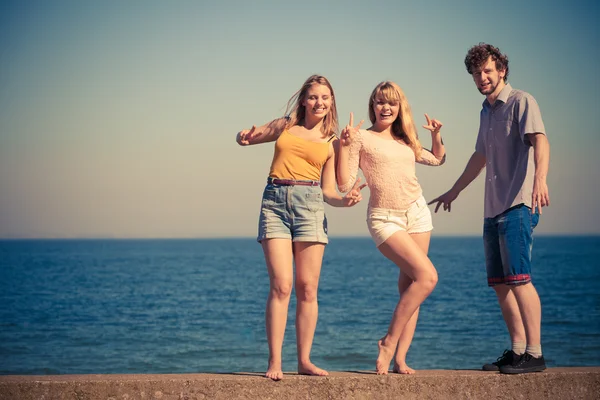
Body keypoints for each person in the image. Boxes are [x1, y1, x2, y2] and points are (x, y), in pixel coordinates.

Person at [428, 43, 550, 374]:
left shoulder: (522, 101)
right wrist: (453, 190)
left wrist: (541, 179)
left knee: (520, 279)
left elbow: (540, 140)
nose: (482, 77)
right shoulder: (486, 111)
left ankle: (535, 355)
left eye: (487, 71)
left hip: (518, 205)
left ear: (502, 70)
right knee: (500, 283)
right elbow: (480, 157)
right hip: (492, 209)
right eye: (476, 73)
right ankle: (518, 350)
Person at [236, 75, 366, 381]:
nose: (319, 102)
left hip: (310, 206)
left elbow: (330, 191)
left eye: (325, 97)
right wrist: (242, 136)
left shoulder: (332, 141)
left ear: (331, 101)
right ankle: (274, 362)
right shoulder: (284, 125)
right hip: (274, 203)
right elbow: (247, 137)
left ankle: (305, 361)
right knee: (282, 285)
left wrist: (345, 202)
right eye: (313, 97)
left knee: (308, 288)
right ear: (304, 100)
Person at [337, 81, 446, 374]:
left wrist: (436, 135)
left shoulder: (406, 139)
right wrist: (344, 146)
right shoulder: (360, 138)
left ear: (400, 108)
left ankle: (400, 358)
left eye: (392, 103)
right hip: (385, 218)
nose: (386, 107)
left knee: (412, 286)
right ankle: (387, 343)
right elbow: (345, 183)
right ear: (372, 106)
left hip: (417, 214)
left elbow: (436, 159)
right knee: (427, 277)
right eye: (380, 102)